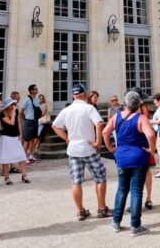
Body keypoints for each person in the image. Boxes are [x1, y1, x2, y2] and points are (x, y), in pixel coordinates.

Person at [52, 83, 113, 221]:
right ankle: (102, 209)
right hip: (89, 148)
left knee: (76, 181)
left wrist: (66, 138)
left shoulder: (66, 110)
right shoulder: (89, 108)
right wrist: (98, 142)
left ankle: (80, 211)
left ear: (73, 96)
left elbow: (55, 126)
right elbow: (99, 123)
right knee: (100, 177)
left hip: (73, 149)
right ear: (84, 95)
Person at [103, 90, 156, 237]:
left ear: (125, 103)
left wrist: (111, 148)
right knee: (136, 191)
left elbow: (105, 133)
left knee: (121, 189)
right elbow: (151, 134)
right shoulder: (141, 118)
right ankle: (135, 226)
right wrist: (151, 149)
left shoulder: (116, 117)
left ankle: (116, 222)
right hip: (139, 157)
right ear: (138, 103)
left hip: (121, 157)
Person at [0, 98, 29, 185]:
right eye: (12, 104)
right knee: (6, 159)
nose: (14, 106)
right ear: (8, 106)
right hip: (6, 138)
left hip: (15, 137)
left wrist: (20, 134)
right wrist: (13, 113)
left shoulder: (16, 111)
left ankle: (24, 175)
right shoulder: (2, 114)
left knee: (22, 157)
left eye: (14, 104)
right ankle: (7, 178)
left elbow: (18, 122)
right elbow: (11, 122)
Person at [131, 87, 153, 209]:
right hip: (143, 140)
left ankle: (141, 199)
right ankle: (147, 198)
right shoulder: (143, 106)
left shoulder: (137, 108)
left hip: (138, 140)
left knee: (138, 172)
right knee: (146, 171)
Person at [20, 84, 41, 163]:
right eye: (35, 89)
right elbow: (21, 111)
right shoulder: (27, 100)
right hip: (29, 121)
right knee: (27, 140)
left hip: (35, 121)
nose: (37, 90)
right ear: (31, 91)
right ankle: (24, 157)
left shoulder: (36, 99)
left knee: (33, 140)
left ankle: (30, 155)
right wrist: (25, 119)